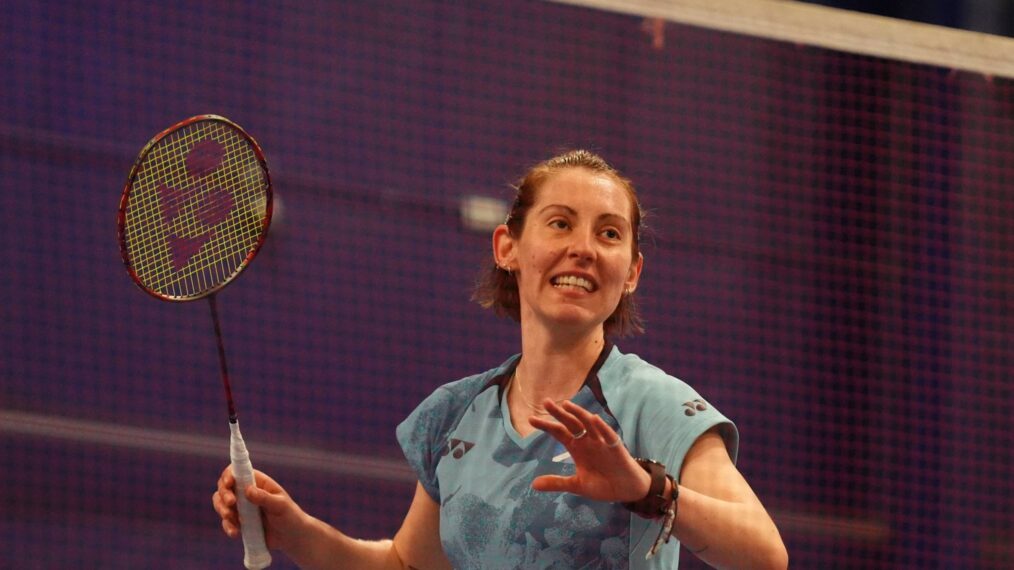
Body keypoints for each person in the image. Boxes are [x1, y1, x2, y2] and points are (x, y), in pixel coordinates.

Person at [213, 150, 788, 569]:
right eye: (560, 223)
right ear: (507, 247)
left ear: (631, 272)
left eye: (609, 234)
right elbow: (408, 568)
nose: (584, 248)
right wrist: (297, 531)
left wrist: (644, 488)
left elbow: (764, 555)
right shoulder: (455, 412)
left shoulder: (653, 404)